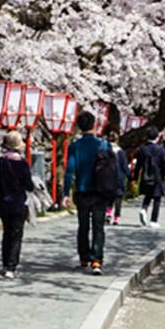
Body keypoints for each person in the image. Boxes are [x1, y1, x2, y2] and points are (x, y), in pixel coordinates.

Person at [64, 111, 124, 275]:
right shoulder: (103, 145)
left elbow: (69, 171)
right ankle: (97, 261)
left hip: (82, 191)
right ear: (94, 125)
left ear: (79, 127)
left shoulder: (74, 147)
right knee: (98, 226)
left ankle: (84, 258)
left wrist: (65, 194)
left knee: (83, 226)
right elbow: (114, 168)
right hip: (100, 191)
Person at [0, 134, 36, 277]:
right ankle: (11, 266)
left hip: (3, 202)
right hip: (19, 202)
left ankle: (5, 262)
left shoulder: (0, 162)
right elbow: (29, 185)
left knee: (6, 233)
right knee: (16, 234)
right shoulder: (22, 164)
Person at [134, 135, 165, 227]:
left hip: (146, 176)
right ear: (156, 137)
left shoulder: (142, 149)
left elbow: (138, 165)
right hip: (157, 177)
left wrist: (135, 177)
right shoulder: (160, 149)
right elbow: (164, 164)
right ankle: (153, 220)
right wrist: (164, 175)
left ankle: (144, 209)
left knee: (147, 195)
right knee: (157, 198)